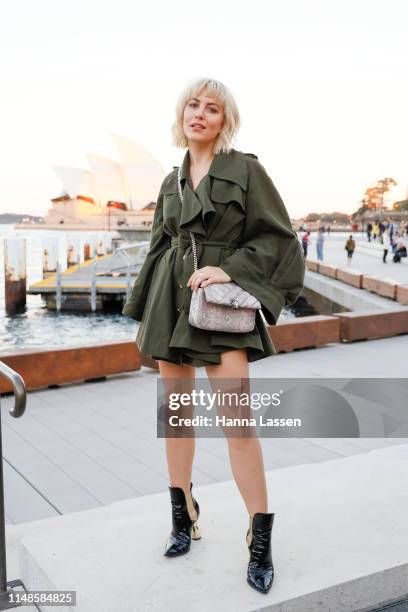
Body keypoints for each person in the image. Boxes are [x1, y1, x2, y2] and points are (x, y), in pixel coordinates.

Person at [122, 77, 305, 594]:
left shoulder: (245, 169)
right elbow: (159, 246)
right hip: (170, 302)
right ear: (182, 114)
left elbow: (278, 239)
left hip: (219, 309)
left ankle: (259, 537)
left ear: (226, 121)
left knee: (238, 424)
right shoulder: (169, 181)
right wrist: (144, 310)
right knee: (177, 419)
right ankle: (184, 516)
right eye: (193, 106)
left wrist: (231, 271)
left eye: (212, 109)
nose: (199, 114)